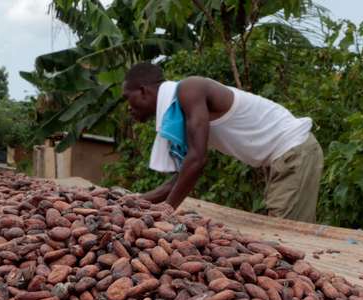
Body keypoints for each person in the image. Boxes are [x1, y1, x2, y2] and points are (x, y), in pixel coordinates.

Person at [122, 63, 324, 223]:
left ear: (143, 91)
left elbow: (197, 161)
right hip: (285, 157)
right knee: (286, 229)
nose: (128, 108)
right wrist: (135, 201)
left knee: (286, 234)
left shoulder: (190, 89)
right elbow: (183, 174)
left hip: (294, 151)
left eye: (127, 98)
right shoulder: (180, 113)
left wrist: (166, 209)